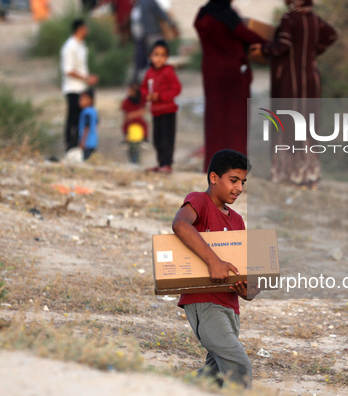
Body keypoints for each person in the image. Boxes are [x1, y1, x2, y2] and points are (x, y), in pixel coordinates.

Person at [172, 149, 256, 388]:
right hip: (204, 302)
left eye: (243, 182)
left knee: (216, 373)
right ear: (213, 178)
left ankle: (173, 388)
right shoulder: (200, 201)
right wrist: (213, 261)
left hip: (231, 307)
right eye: (233, 180)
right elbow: (180, 224)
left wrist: (248, 290)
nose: (239, 188)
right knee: (239, 367)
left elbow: (244, 268)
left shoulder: (238, 220)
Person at [259, 0, 338, 187]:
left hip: (290, 80)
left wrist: (263, 49)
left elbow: (282, 45)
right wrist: (313, 51)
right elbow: (332, 35)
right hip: (311, 79)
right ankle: (310, 173)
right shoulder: (314, 19)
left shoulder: (290, 19)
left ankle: (290, 173)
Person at [194, 0, 267, 172]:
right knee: (236, 121)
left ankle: (213, 165)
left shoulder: (203, 14)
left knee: (214, 119)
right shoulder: (229, 16)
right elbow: (248, 36)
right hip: (234, 75)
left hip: (212, 73)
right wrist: (268, 44)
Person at [140, 40, 181, 173]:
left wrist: (161, 96)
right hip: (156, 112)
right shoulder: (149, 73)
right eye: (156, 54)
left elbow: (176, 88)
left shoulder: (168, 71)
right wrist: (146, 95)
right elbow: (143, 88)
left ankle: (167, 164)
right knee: (157, 140)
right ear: (150, 56)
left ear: (167, 57)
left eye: (163, 55)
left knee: (167, 139)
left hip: (168, 111)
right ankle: (161, 163)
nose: (159, 58)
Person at [60, 18, 98, 152]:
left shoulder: (81, 46)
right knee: (73, 118)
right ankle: (71, 146)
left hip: (82, 88)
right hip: (73, 88)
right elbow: (68, 70)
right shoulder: (70, 47)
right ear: (80, 28)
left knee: (84, 118)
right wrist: (87, 78)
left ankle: (82, 145)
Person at [130, 0, 176, 80]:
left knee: (154, 57)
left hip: (150, 34)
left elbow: (161, 14)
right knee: (144, 58)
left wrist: (172, 25)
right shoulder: (139, 4)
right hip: (144, 36)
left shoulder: (147, 2)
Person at [121, 82, 148, 164]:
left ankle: (145, 139)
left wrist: (132, 115)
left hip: (139, 124)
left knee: (145, 127)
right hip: (129, 125)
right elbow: (125, 114)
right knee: (130, 145)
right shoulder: (126, 101)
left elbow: (144, 110)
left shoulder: (141, 100)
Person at [78, 89, 99, 161]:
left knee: (86, 160)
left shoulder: (86, 112)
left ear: (90, 100)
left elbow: (87, 127)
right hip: (94, 142)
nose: (80, 102)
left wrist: (82, 142)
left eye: (82, 99)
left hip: (87, 143)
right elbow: (96, 123)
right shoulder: (94, 111)